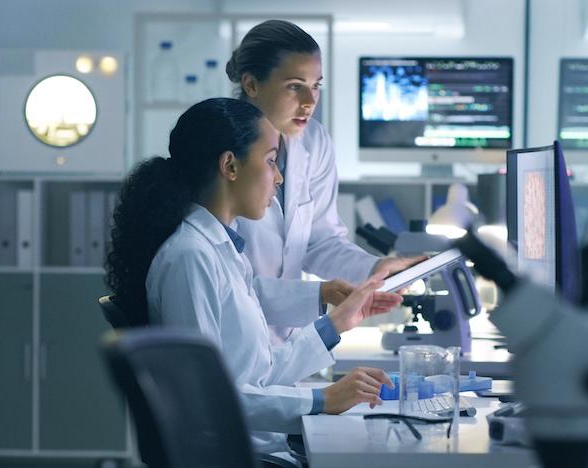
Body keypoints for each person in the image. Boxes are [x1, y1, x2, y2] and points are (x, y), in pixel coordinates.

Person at [105, 97, 401, 434]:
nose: (278, 178)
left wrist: (338, 323)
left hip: (257, 446)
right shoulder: (190, 257)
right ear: (230, 166)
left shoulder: (223, 250)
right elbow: (204, 399)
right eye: (271, 161)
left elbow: (261, 372)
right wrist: (323, 400)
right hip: (242, 464)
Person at [226, 19, 423, 339]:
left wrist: (375, 269)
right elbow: (217, 280)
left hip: (285, 340)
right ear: (251, 85)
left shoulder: (313, 142)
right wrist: (318, 295)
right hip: (230, 338)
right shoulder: (220, 151)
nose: (309, 101)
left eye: (316, 85)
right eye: (294, 85)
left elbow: (319, 241)